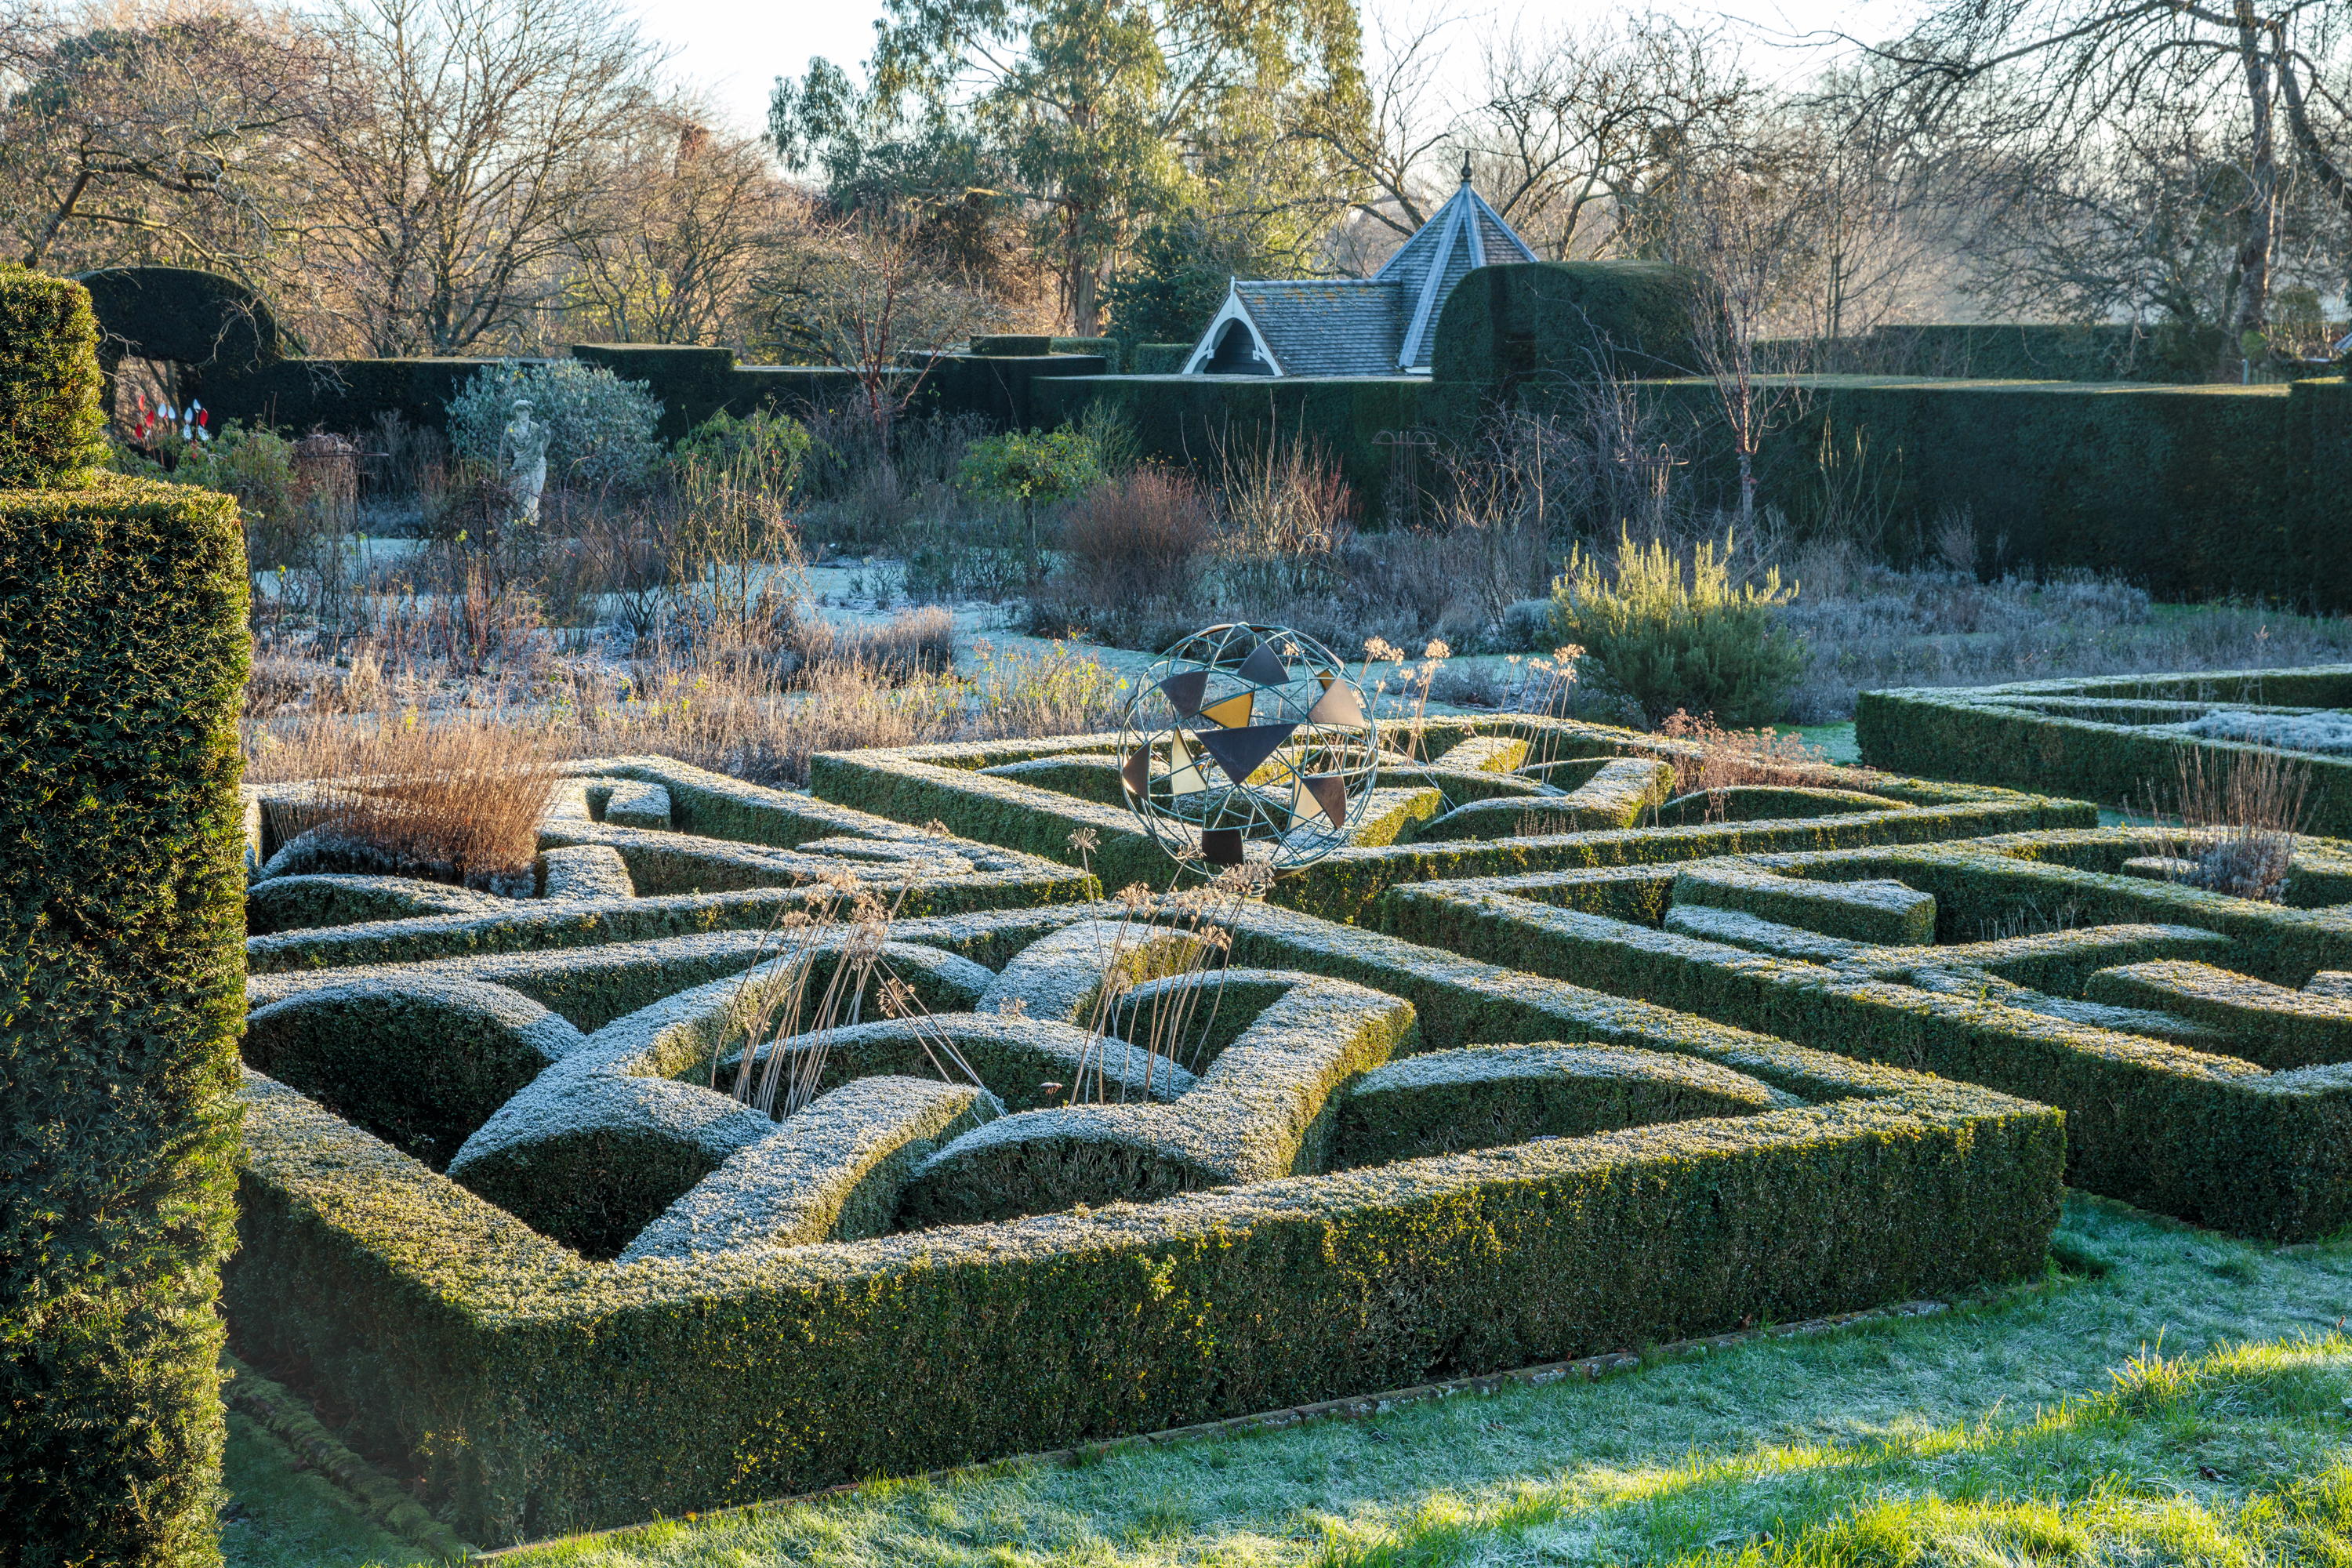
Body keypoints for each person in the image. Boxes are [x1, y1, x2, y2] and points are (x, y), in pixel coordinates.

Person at [499, 397, 550, 524]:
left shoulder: (536, 428)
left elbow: (542, 448)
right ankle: (515, 527)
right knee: (517, 497)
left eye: (525, 410)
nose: (522, 413)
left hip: (536, 465)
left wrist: (546, 435)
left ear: (529, 411)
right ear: (515, 412)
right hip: (520, 465)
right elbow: (503, 448)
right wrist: (502, 469)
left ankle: (530, 526)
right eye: (519, 411)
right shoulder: (511, 428)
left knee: (533, 497)